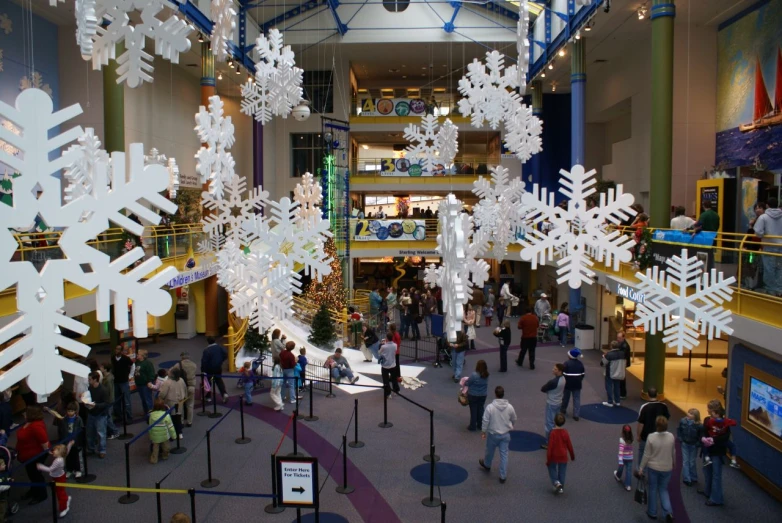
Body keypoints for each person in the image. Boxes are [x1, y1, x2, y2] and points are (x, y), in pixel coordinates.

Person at [638, 416, 676, 522]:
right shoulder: (671, 437)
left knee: (653, 488)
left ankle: (652, 512)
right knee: (663, 489)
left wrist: (641, 467)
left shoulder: (651, 437)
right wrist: (674, 462)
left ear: (657, 425)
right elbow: (673, 451)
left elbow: (646, 454)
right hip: (667, 467)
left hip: (653, 468)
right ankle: (668, 512)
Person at [479, 386, 516, 484]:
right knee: (504, 455)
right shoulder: (509, 407)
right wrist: (511, 425)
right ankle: (503, 476)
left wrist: (483, 431)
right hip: (505, 435)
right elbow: (514, 418)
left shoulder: (490, 407)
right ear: (503, 394)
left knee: (489, 451)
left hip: (493, 434)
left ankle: (487, 464)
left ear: (495, 394)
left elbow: (485, 420)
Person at [698, 399, 730, 507]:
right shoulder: (707, 419)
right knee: (707, 471)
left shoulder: (725, 423)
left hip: (717, 452)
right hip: (708, 450)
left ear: (714, 411)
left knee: (716, 475)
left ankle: (716, 499)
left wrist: (713, 440)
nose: (707, 410)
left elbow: (725, 437)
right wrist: (703, 437)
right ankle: (708, 491)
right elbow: (703, 430)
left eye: (709, 409)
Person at [17, 405, 50, 504]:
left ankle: (41, 495)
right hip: (27, 455)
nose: (23, 414)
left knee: (36, 475)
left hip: (35, 456)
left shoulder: (36, 426)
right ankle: (34, 490)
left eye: (25, 412)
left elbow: (44, 442)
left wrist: (43, 455)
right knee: (32, 475)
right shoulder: (29, 423)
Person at [45, 402, 84, 479]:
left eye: (72, 411)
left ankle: (77, 470)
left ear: (75, 411)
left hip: (75, 442)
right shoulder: (64, 419)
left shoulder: (78, 419)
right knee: (68, 456)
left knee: (76, 456)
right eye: (68, 411)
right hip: (67, 441)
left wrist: (78, 440)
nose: (70, 413)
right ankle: (69, 470)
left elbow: (81, 429)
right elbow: (62, 430)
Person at [753, 197, 782, 296]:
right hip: (781, 246)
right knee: (779, 268)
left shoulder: (763, 217)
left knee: (769, 268)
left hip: (769, 246)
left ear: (767, 205)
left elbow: (758, 232)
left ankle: (770, 290)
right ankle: (779, 289)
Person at [636, 387, 670, 468]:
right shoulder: (664, 406)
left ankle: (641, 469)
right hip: (660, 434)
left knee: (643, 452)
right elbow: (666, 419)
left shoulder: (644, 407)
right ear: (657, 394)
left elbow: (641, 423)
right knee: (657, 452)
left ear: (648, 395)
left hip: (646, 435)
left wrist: (638, 435)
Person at [36, 444, 71, 517]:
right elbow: (67, 451)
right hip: (59, 477)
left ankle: (64, 508)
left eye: (56, 450)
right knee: (60, 491)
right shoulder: (61, 457)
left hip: (59, 478)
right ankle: (66, 499)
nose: (53, 451)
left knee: (60, 493)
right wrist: (69, 445)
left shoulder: (58, 460)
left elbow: (50, 469)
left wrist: (41, 466)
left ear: (60, 452)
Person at [702, 404, 739, 469]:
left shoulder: (710, 421)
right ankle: (733, 461)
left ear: (716, 413)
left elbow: (706, 428)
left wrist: (710, 438)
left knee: (705, 445)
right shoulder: (726, 421)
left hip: (715, 444)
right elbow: (734, 423)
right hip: (721, 442)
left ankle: (706, 458)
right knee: (732, 446)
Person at [546, 413, 575, 495]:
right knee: (562, 472)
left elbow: (550, 448)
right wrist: (572, 455)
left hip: (554, 456)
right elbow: (569, 445)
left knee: (552, 468)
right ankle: (561, 487)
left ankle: (556, 482)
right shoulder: (565, 432)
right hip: (563, 455)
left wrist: (548, 460)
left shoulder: (552, 433)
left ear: (554, 422)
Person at [85, 372, 110, 459]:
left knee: (101, 434)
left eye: (90, 379)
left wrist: (96, 405)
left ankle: (102, 450)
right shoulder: (90, 388)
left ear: (95, 379)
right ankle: (91, 449)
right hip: (91, 413)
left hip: (101, 415)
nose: (88, 381)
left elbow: (107, 403)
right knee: (90, 433)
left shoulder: (103, 390)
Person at [540, 364, 565, 448]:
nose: (553, 369)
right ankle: (556, 438)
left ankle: (549, 442)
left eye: (555, 369)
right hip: (559, 402)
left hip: (551, 403)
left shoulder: (553, 382)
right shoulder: (564, 379)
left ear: (559, 371)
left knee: (549, 423)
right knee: (556, 422)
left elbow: (543, 389)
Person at [678, 408, 702, 486]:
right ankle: (687, 479)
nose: (688, 414)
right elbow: (679, 430)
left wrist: (697, 444)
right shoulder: (683, 421)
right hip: (685, 444)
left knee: (692, 462)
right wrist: (680, 439)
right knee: (685, 461)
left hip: (693, 445)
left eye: (691, 414)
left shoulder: (699, 426)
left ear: (695, 416)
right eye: (688, 413)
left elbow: (700, 436)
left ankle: (693, 477)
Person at [148, 399, 177, 464]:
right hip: (165, 436)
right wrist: (174, 436)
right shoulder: (166, 415)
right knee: (166, 448)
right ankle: (165, 456)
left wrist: (150, 436)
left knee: (155, 449)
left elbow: (150, 427)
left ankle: (154, 459)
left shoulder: (151, 415)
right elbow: (170, 427)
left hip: (155, 437)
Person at [201, 337, 229, 403]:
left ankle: (208, 397)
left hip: (209, 369)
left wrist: (203, 370)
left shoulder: (206, 350)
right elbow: (225, 354)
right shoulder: (219, 347)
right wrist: (221, 361)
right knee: (219, 381)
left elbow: (204, 361)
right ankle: (224, 393)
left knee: (208, 382)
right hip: (218, 367)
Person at [112, 344, 134, 422]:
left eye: (118, 349)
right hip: (116, 382)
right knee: (116, 399)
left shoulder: (126, 358)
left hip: (124, 381)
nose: (116, 351)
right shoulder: (113, 358)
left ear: (121, 351)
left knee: (126, 400)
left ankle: (129, 417)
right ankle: (119, 416)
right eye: (116, 349)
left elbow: (132, 365)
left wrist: (130, 375)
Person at [465, 360, 489, 432]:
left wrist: (465, 381)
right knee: (481, 409)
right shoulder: (487, 374)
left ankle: (472, 426)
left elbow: (468, 383)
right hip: (483, 395)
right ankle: (480, 425)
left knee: (473, 410)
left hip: (473, 395)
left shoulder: (474, 375)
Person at [561, 349, 585, 421]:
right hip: (577, 384)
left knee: (565, 398)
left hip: (568, 384)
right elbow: (583, 374)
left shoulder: (566, 363)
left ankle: (563, 410)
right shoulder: (580, 363)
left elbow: (563, 374)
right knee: (576, 399)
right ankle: (576, 414)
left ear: (570, 356)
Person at [601, 341, 626, 407]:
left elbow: (603, 363)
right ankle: (617, 401)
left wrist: (604, 356)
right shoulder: (622, 354)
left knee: (609, 387)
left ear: (611, 346)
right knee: (617, 387)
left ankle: (610, 402)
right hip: (619, 373)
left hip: (610, 373)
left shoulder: (609, 354)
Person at [176, 352, 197, 427]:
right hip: (191, 386)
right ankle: (189, 422)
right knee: (190, 405)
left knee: (180, 405)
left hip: (181, 387)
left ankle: (181, 421)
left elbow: (171, 373)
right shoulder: (194, 365)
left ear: (182, 357)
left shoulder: (178, 365)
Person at [135, 349, 156, 414]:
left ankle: (151, 413)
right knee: (143, 399)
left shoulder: (148, 363)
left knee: (147, 399)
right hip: (139, 384)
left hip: (145, 384)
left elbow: (151, 373)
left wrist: (150, 381)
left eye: (138, 354)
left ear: (142, 356)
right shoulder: (137, 362)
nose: (137, 355)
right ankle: (146, 411)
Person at [614, 424, 634, 491]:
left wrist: (620, 461)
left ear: (622, 432)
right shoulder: (631, 439)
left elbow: (621, 451)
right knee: (629, 471)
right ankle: (628, 485)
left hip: (623, 458)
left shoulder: (622, 440)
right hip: (630, 457)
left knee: (620, 468)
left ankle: (618, 476)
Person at [379, 333, 399, 398]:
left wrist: (382, 345)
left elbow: (379, 352)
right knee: (394, 379)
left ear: (387, 339)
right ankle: (396, 390)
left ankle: (388, 393)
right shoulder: (395, 345)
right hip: (393, 365)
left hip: (385, 365)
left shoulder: (383, 346)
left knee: (386, 380)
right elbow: (395, 351)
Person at [616, 331, 632, 399]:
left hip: (622, 363)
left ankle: (622, 394)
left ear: (623, 337)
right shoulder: (621, 344)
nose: (618, 339)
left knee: (622, 379)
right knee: (621, 378)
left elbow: (622, 355)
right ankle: (621, 392)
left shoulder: (625, 346)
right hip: (622, 363)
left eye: (619, 338)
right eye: (617, 337)